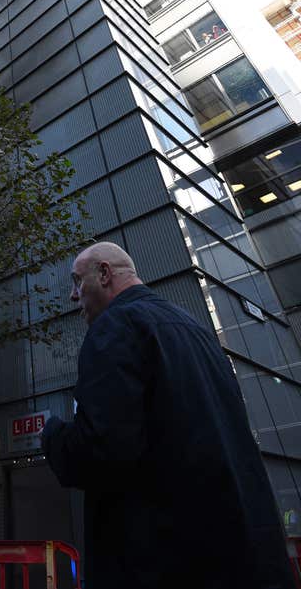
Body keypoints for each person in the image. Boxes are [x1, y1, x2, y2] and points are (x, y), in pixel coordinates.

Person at [41, 241, 294, 589]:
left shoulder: (115, 327)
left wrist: (52, 434)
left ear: (104, 273)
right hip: (245, 560)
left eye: (76, 281)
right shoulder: (197, 332)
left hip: (166, 561)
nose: (73, 296)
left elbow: (101, 451)